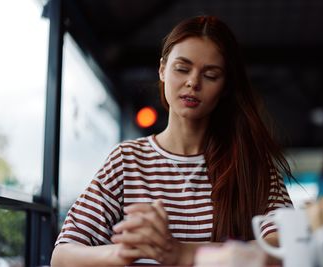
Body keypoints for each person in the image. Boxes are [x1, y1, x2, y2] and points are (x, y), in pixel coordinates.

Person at [51, 15, 293, 266]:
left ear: (225, 87)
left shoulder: (251, 164)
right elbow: (63, 255)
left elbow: (286, 248)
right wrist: (123, 252)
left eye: (210, 75)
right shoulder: (128, 160)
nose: (193, 82)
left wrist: (182, 253)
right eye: (182, 68)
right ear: (162, 70)